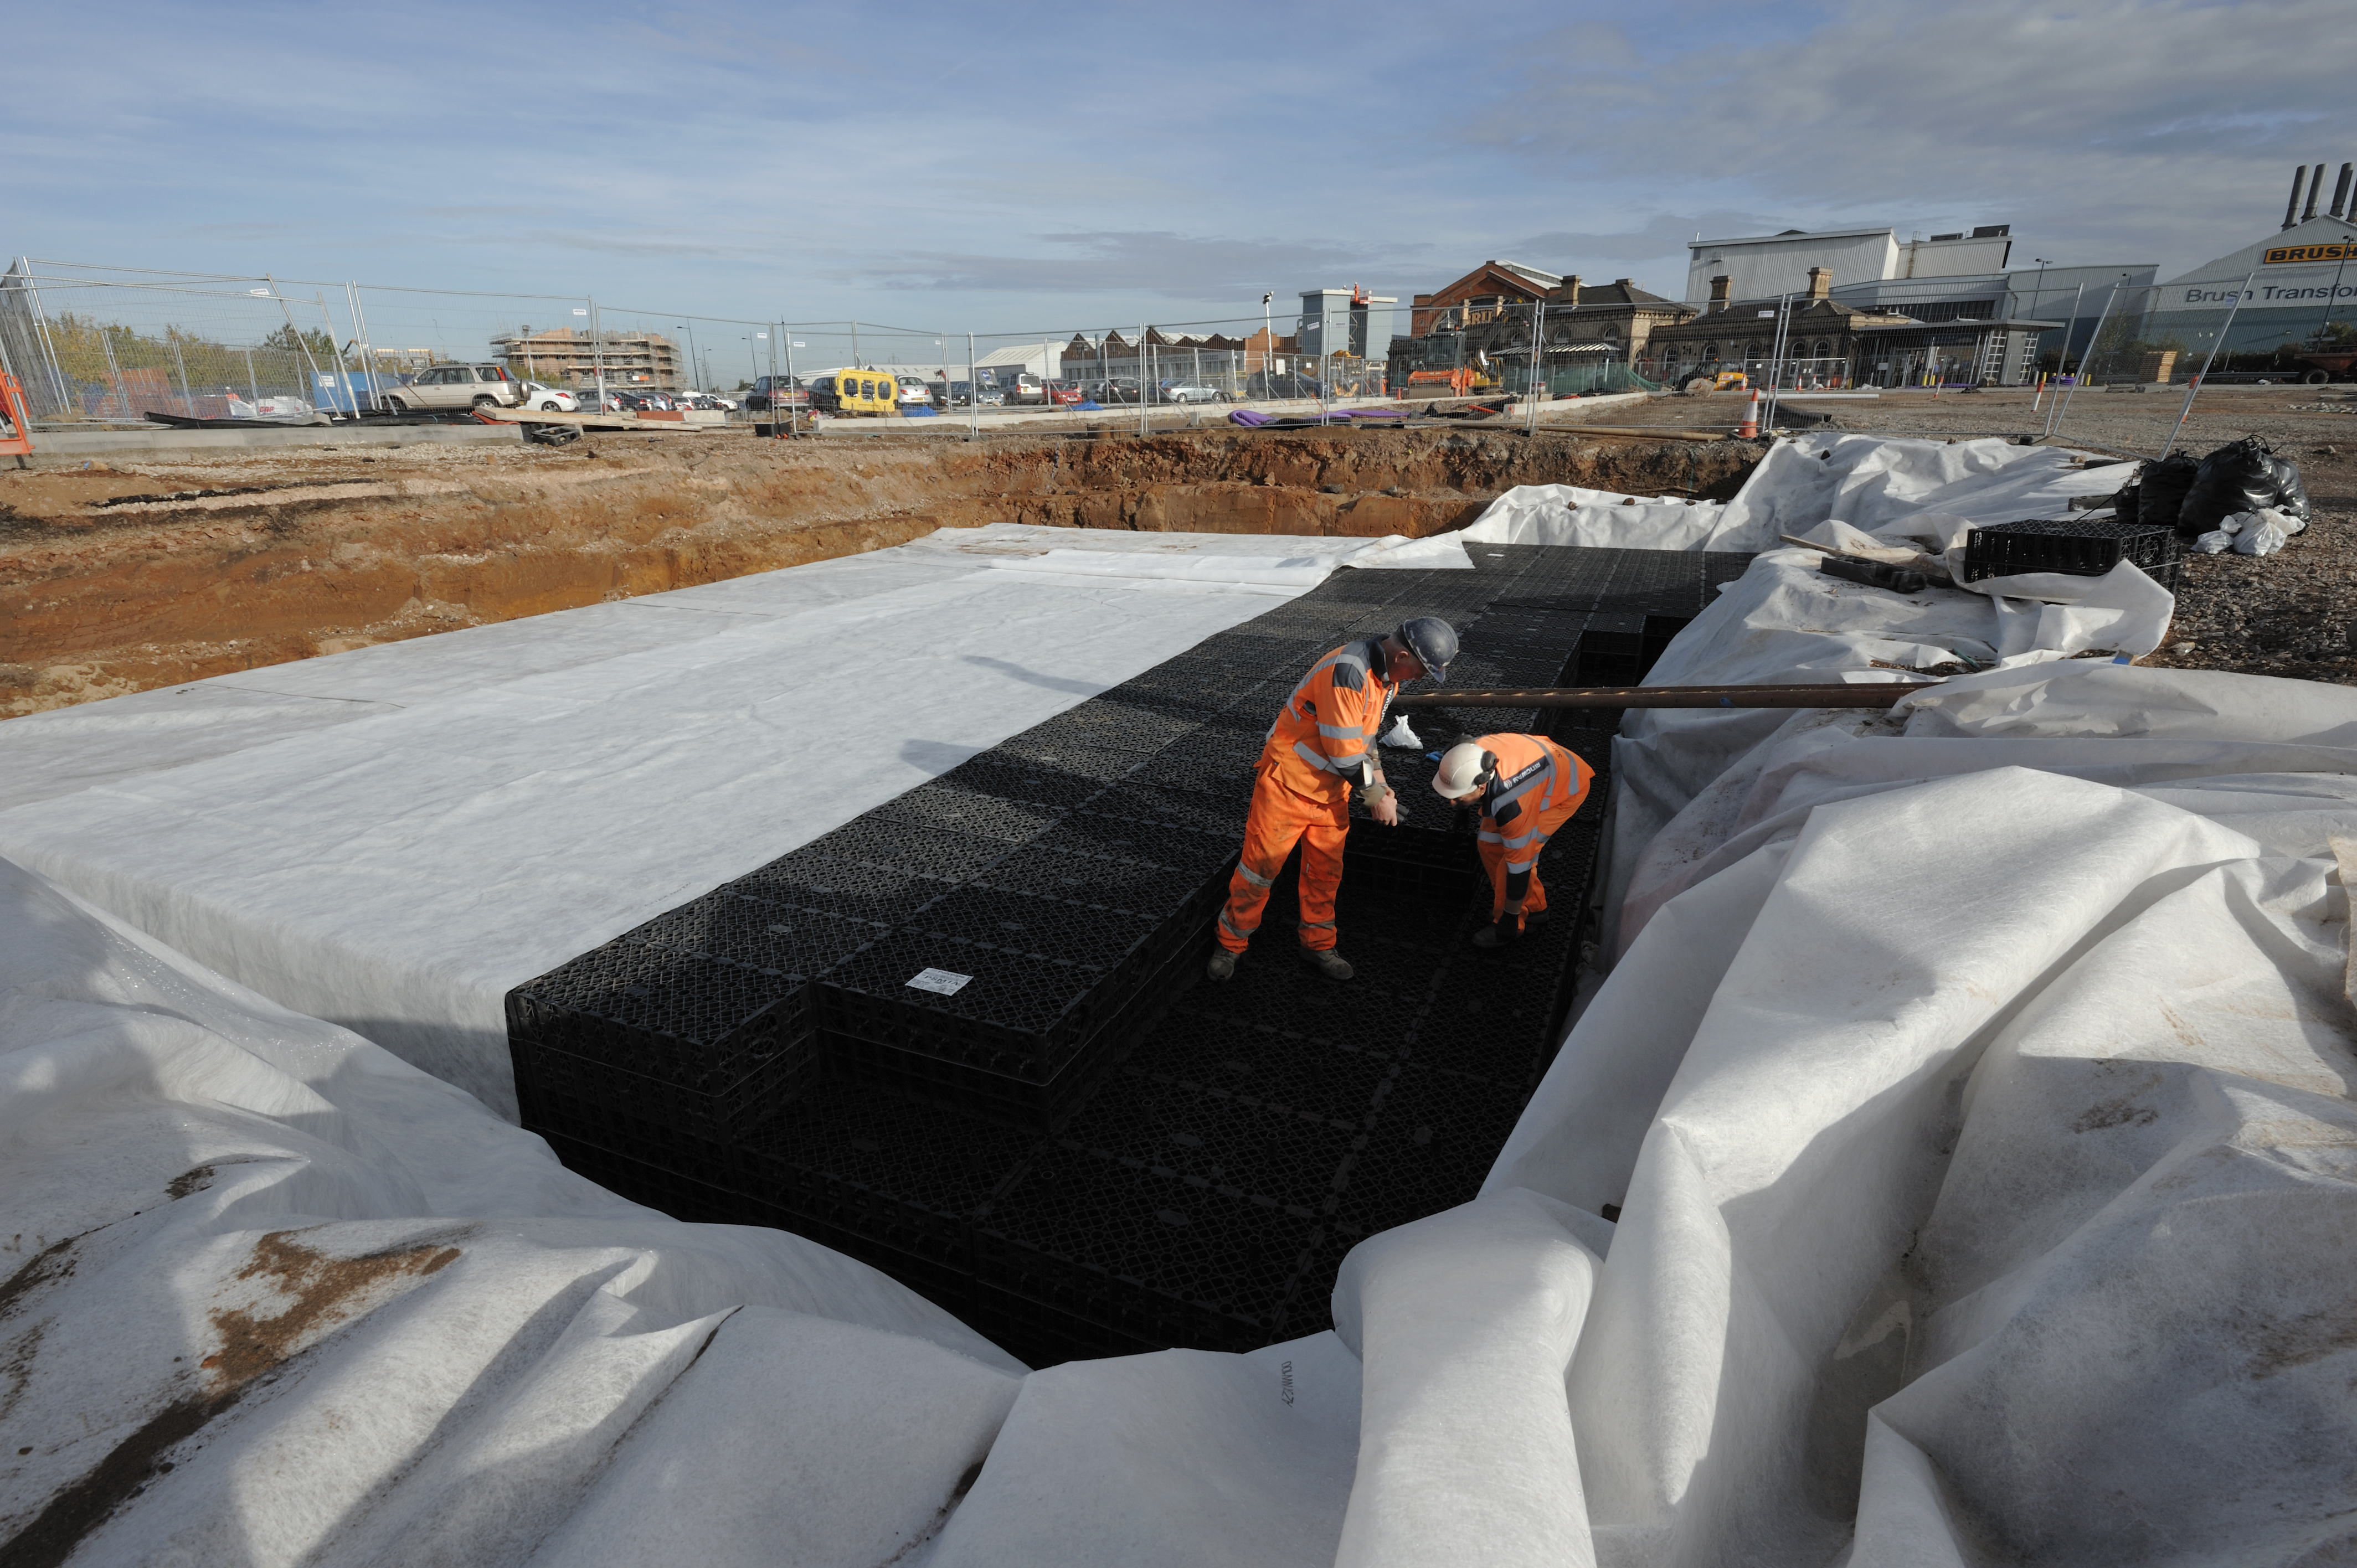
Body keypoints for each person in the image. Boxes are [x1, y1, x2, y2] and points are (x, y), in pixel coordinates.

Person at [1208, 617, 1458, 983]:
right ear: (1403, 654)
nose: (1421, 678)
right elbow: (1342, 751)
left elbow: (1365, 739)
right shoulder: (1348, 671)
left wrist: (1383, 788)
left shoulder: (1387, 679)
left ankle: (1318, 944)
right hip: (1287, 786)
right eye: (1423, 669)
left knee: (1324, 875)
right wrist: (1374, 796)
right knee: (1258, 872)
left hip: (1331, 794)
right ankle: (1230, 945)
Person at [1431, 733, 1594, 948]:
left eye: (1458, 798)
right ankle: (1535, 909)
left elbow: (1520, 866)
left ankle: (1511, 922)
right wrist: (1463, 806)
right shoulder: (1466, 754)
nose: (1451, 803)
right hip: (1541, 761)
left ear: (1481, 788)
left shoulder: (1511, 805)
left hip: (1563, 791)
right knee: (1488, 843)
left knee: (1509, 865)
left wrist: (1509, 916)